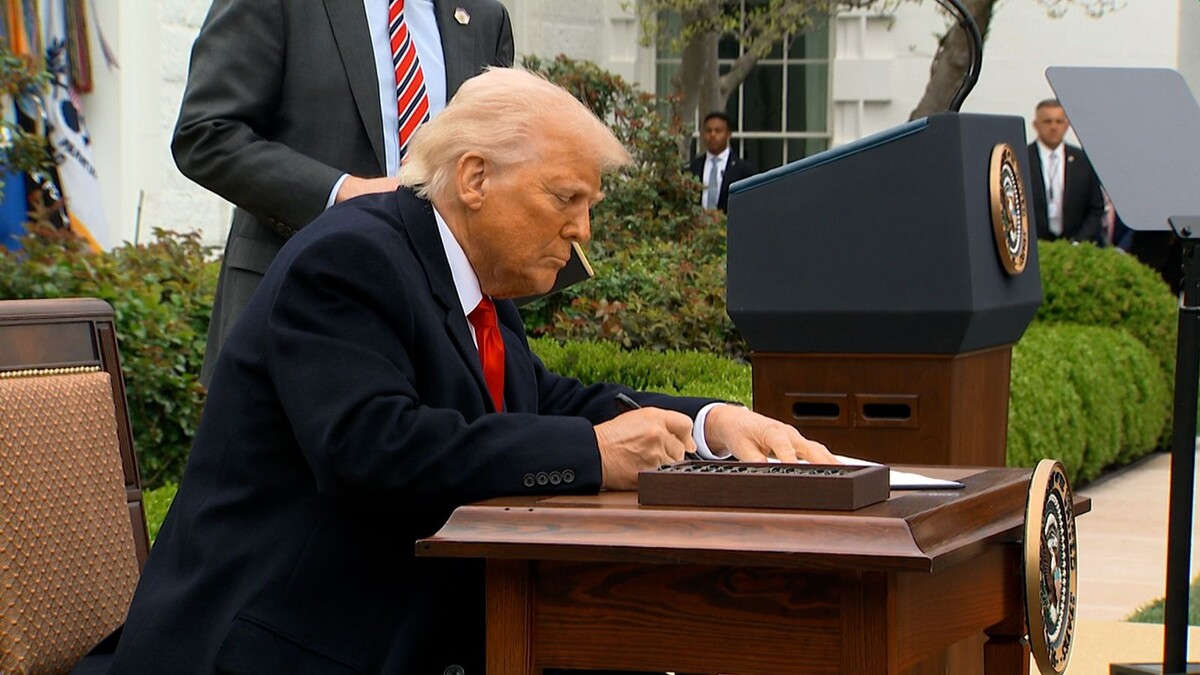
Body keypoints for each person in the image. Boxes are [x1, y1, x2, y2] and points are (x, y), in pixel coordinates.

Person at [109, 68, 835, 674]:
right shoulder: (350, 258)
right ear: (475, 177)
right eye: (566, 199)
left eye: (589, 205)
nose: (582, 230)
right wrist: (593, 452)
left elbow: (544, 400)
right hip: (278, 644)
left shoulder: (468, 278)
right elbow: (371, 447)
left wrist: (709, 422)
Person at [173, 0, 514, 386]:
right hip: (296, 308)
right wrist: (343, 193)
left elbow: (497, 162)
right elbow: (206, 135)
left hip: (440, 336)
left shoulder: (484, 18)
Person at [1026, 99, 1106, 245]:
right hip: (1033, 245)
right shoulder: (1022, 158)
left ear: (1067, 125)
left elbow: (1096, 208)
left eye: (1059, 121)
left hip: (1075, 245)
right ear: (1035, 125)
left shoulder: (1083, 160)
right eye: (1047, 121)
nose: (1053, 127)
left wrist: (1078, 243)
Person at [687, 111, 758, 213]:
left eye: (718, 131)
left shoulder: (743, 170)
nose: (712, 135)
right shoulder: (693, 168)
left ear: (728, 134)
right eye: (708, 131)